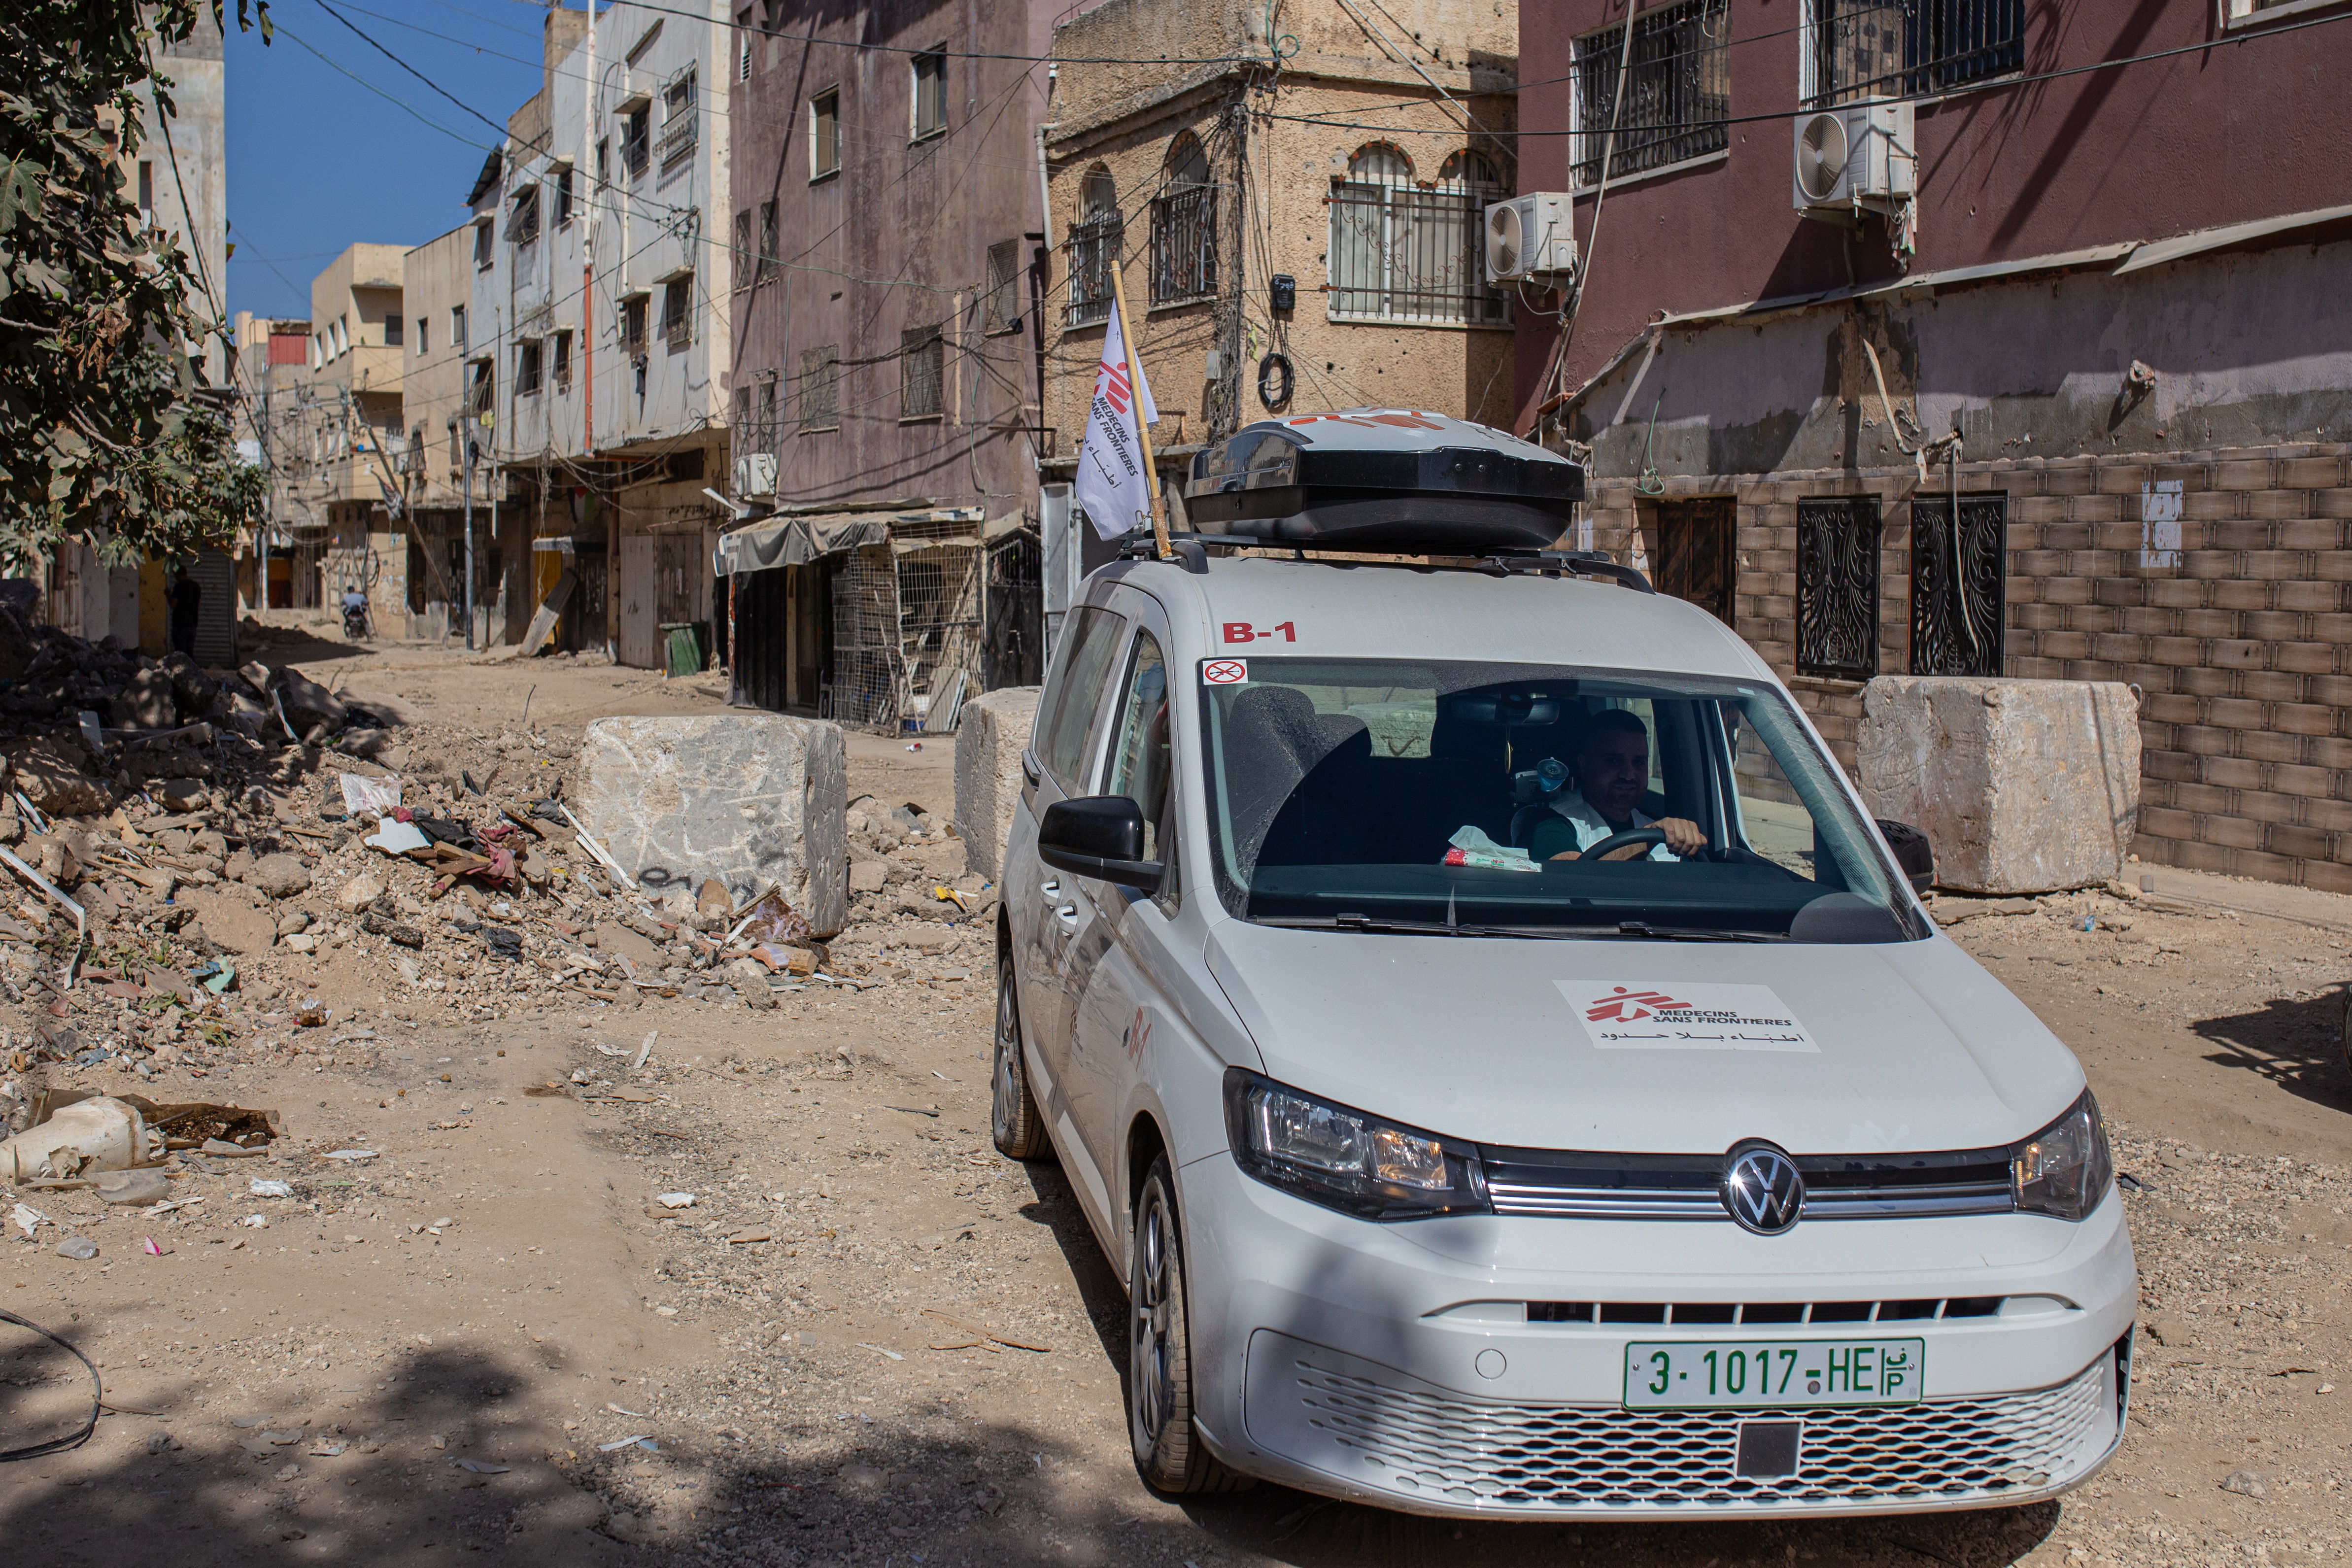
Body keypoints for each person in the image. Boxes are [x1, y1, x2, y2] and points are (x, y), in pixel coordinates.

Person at [1529, 708, 1708, 862]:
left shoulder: (1658, 830)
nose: (1629, 775)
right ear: (1584, 764)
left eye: (1638, 762)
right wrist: (1646, 841)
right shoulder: (1552, 822)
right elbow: (1571, 879)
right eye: (1614, 761)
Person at [168, 567, 201, 656]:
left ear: (179, 575)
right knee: (190, 652)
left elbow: (173, 605)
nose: (176, 578)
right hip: (192, 625)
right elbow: (198, 605)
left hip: (180, 625)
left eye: (176, 576)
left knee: (181, 654)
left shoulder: (179, 586)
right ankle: (193, 669)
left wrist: (168, 595)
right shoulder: (196, 587)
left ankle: (186, 670)